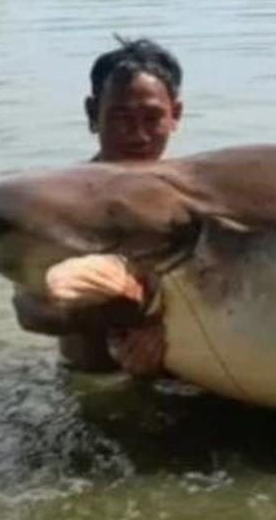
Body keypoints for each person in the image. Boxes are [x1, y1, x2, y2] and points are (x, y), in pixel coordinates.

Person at [11, 37, 184, 374]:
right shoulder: (59, 205)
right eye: (121, 117)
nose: (138, 134)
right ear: (93, 113)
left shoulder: (188, 202)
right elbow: (30, 310)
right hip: (92, 383)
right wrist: (131, 315)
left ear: (175, 115)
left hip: (171, 377)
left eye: (152, 118)